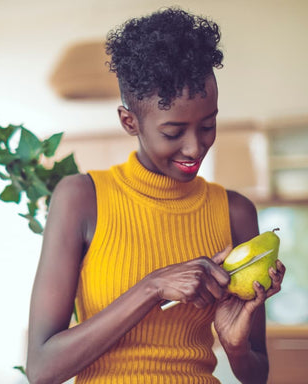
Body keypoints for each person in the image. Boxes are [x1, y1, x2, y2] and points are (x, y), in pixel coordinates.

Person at [26, 7, 285, 384]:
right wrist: (152, 287)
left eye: (208, 125)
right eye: (173, 132)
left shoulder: (235, 212)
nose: (195, 148)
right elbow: (42, 368)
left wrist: (235, 345)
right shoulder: (81, 198)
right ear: (129, 121)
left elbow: (257, 376)